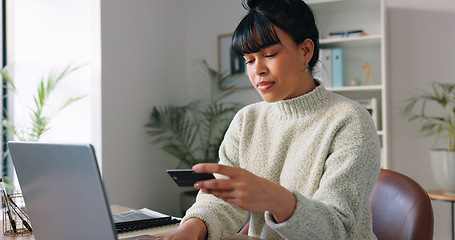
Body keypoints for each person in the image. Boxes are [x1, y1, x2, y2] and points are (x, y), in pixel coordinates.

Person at [157, 0, 380, 239]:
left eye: (270, 54)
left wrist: (277, 199)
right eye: (249, 60)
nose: (258, 70)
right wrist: (192, 228)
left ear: (305, 50)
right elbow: (222, 201)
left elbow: (338, 230)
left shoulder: (350, 120)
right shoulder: (246, 120)